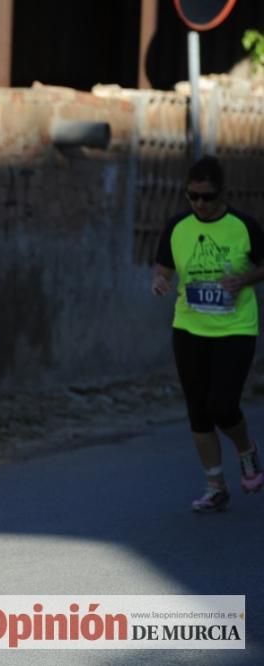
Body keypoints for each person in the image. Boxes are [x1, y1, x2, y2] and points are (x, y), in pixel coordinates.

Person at [152, 155, 264, 512]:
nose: (199, 204)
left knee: (223, 405)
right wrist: (160, 281)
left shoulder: (244, 226)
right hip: (190, 328)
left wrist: (245, 279)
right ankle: (215, 486)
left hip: (235, 328)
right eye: (193, 196)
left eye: (207, 197)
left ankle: (245, 449)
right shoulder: (177, 226)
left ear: (222, 194)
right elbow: (165, 268)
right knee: (198, 411)